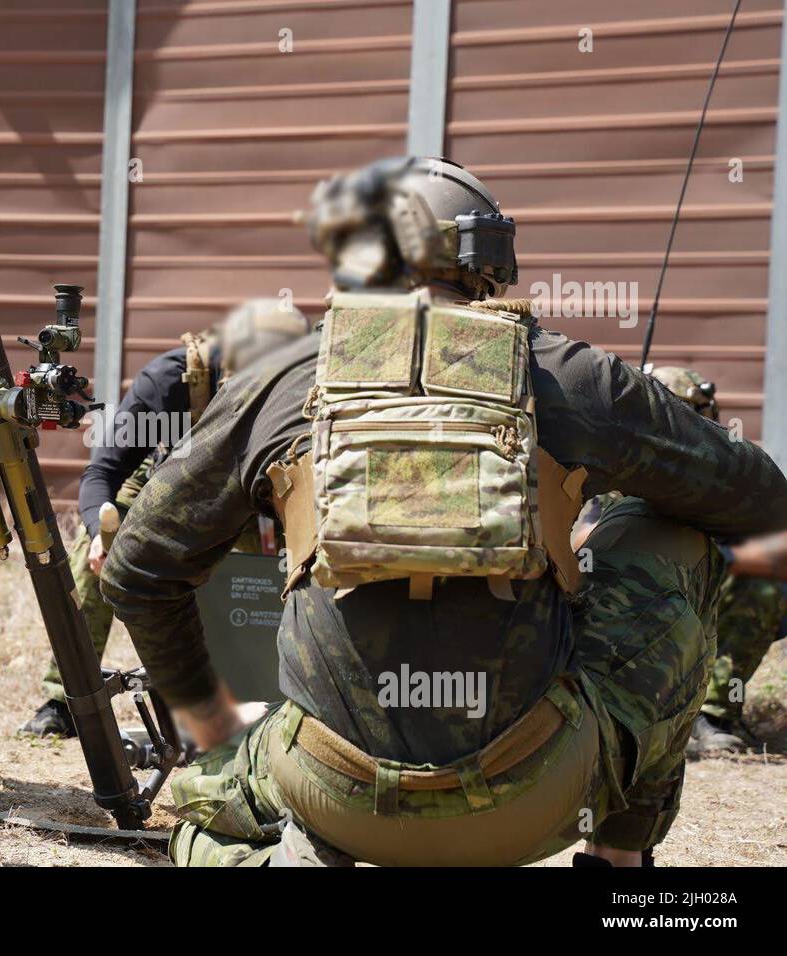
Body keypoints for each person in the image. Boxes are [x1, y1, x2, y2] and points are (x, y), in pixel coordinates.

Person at [100, 156, 787, 866]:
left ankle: (291, 855)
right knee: (674, 532)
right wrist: (578, 545)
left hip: (329, 790)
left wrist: (211, 725)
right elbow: (764, 505)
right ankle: (619, 859)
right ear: (484, 263)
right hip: (538, 796)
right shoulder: (570, 375)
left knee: (198, 813)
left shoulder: (281, 379)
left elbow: (137, 573)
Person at [21, 298, 310, 737]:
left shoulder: (312, 386)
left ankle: (304, 696)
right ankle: (66, 698)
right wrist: (102, 534)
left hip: (271, 495)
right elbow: (103, 472)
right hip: (182, 488)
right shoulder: (171, 382)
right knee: (101, 544)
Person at [627, 368, 787, 756]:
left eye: (694, 413)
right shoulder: (621, 459)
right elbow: (581, 539)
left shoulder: (729, 468)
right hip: (632, 596)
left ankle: (710, 714)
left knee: (767, 585)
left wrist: (725, 559)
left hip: (701, 589)